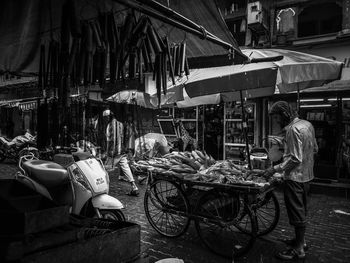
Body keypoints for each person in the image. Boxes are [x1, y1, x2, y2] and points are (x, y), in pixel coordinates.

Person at [264, 101, 318, 260]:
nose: (276, 121)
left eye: (276, 118)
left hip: (295, 178)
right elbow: (314, 148)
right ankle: (301, 241)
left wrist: (274, 169)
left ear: (283, 115)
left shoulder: (292, 130)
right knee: (302, 210)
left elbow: (294, 158)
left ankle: (298, 249)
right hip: (307, 175)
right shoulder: (307, 125)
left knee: (296, 212)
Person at [104, 109, 139, 196]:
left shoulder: (109, 126)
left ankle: (104, 190)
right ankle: (134, 186)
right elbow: (126, 136)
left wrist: (107, 153)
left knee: (105, 170)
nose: (105, 119)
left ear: (108, 117)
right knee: (126, 168)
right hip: (122, 151)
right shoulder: (121, 124)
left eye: (105, 117)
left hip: (114, 152)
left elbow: (110, 141)